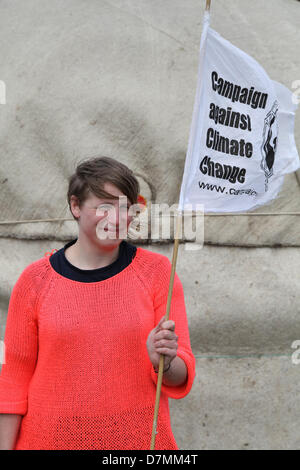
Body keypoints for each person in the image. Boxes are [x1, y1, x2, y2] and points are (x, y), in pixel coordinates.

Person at [0, 156, 196, 450]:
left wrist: (164, 363)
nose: (118, 219)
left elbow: (181, 370)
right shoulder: (35, 281)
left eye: (126, 208)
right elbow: (13, 383)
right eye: (105, 207)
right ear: (76, 206)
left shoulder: (156, 273)